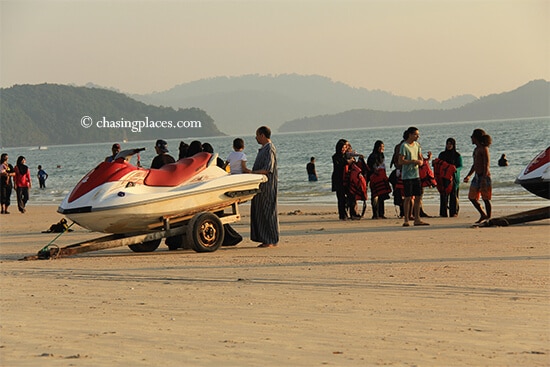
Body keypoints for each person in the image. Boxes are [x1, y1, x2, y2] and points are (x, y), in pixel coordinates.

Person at [249, 126, 279, 248]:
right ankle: (264, 238)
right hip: (260, 186)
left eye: (257, 135)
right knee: (260, 211)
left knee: (268, 212)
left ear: (262, 135)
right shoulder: (264, 149)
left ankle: (270, 240)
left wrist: (252, 173)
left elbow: (268, 169)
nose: (256, 138)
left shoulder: (269, 149)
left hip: (267, 186)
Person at [398, 127, 429, 226]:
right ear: (410, 135)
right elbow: (400, 161)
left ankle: (417, 218)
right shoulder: (404, 146)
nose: (418, 136)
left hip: (416, 174)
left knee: (418, 197)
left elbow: (420, 157)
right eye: (416, 134)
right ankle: (406, 219)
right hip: (407, 176)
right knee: (407, 198)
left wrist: (422, 161)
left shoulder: (417, 145)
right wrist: (413, 161)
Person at [464, 128, 492, 223]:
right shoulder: (476, 150)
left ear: (476, 138)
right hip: (477, 176)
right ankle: (483, 214)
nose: (471, 139)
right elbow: (475, 165)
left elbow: (486, 164)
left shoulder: (484, 149)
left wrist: (484, 178)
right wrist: (468, 175)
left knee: (486, 198)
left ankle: (488, 217)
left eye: (472, 137)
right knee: (472, 197)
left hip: (484, 176)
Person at [435, 138, 463, 217]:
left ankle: (454, 212)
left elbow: (460, 166)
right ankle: (443, 213)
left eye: (450, 144)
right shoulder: (442, 154)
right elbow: (438, 164)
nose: (449, 145)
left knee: (454, 195)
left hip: (454, 178)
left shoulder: (457, 155)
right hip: (443, 178)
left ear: (453, 145)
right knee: (443, 195)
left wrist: (455, 170)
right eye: (447, 144)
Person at [367, 140, 391, 219]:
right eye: (380, 147)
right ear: (377, 147)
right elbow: (370, 167)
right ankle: (375, 214)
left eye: (383, 146)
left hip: (381, 177)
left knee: (382, 195)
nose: (382, 148)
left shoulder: (382, 155)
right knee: (375, 196)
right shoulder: (372, 156)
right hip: (374, 178)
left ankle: (381, 213)